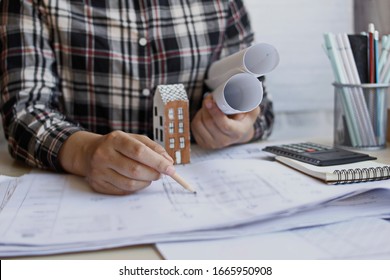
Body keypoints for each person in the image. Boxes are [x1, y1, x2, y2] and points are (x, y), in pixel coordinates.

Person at [0, 0, 274, 195]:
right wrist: (84, 151)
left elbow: (263, 107)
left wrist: (240, 128)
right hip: (81, 192)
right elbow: (24, 113)